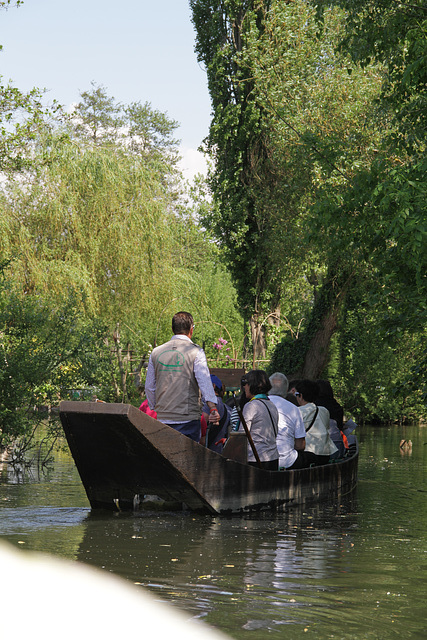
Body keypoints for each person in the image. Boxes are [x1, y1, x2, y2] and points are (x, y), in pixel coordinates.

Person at [145, 311, 220, 442]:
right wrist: (213, 407)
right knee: (188, 460)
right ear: (191, 330)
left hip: (163, 418)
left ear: (172, 329)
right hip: (188, 419)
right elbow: (204, 382)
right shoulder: (196, 352)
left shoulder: (156, 353)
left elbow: (150, 387)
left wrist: (156, 407)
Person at [240, 369, 279, 470]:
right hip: (273, 458)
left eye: (246, 383)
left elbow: (241, 435)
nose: (244, 387)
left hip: (256, 459)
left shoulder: (251, 406)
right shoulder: (271, 404)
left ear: (253, 385)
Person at [268, 372, 307, 470]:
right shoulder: (294, 409)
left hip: (263, 460)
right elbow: (300, 445)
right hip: (287, 461)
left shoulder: (258, 405)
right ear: (286, 390)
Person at [295, 379, 338, 465]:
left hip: (307, 454)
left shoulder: (297, 411)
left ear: (301, 396)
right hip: (325, 454)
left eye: (296, 394)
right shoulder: (324, 411)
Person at [315, 379, 346, 457]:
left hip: (315, 445)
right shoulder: (337, 407)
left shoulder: (311, 406)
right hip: (336, 445)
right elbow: (340, 427)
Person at [201, 374, 231, 452]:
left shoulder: (209, 402)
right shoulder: (226, 407)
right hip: (218, 450)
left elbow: (201, 421)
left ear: (213, 386)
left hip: (206, 452)